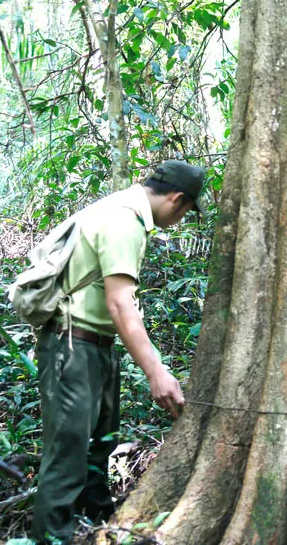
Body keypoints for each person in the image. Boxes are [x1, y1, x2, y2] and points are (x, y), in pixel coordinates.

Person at [31, 160, 205, 543]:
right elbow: (120, 304)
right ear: (177, 200)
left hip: (94, 347)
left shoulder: (121, 208)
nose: (181, 219)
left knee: (97, 449)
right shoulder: (125, 220)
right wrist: (156, 371)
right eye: (187, 212)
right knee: (68, 456)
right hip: (73, 347)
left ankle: (101, 528)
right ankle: (51, 537)